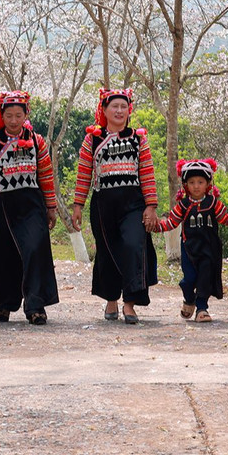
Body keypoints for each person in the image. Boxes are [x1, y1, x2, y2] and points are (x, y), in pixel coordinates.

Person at [67, 88, 158, 323]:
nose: (119, 111)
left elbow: (147, 172)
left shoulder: (138, 139)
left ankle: (130, 303)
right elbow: (84, 174)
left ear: (129, 110)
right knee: (107, 251)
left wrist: (151, 205)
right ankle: (111, 300)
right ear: (104, 110)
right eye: (114, 107)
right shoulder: (93, 139)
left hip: (133, 204)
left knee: (133, 246)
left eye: (123, 107)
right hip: (103, 204)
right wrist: (78, 205)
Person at [0, 90, 60, 324]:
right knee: (5, 255)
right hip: (3, 206)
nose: (13, 121)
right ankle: (4, 304)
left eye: (18, 115)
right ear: (2, 115)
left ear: (25, 115)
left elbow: (45, 174)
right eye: (9, 115)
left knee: (34, 250)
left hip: (32, 205)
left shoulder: (36, 140)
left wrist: (51, 207)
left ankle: (35, 305)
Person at [149, 159, 228, 323]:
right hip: (189, 250)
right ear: (185, 185)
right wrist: (156, 227)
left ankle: (202, 309)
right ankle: (189, 299)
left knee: (205, 278)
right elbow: (171, 222)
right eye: (191, 182)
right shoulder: (183, 206)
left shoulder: (213, 203)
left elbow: (226, 218)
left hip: (209, 250)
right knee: (189, 279)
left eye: (200, 182)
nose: (196, 186)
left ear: (208, 184)